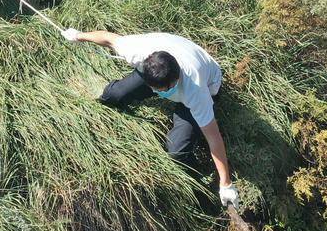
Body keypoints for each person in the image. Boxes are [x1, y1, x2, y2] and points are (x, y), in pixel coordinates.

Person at [62, 28, 239, 207]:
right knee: (113, 96)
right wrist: (78, 36)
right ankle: (145, 86)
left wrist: (226, 184)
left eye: (161, 91)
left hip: (209, 84)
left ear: (175, 80)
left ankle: (199, 188)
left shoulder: (196, 89)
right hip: (160, 67)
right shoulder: (139, 52)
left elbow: (213, 136)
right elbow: (108, 38)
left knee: (177, 150)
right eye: (153, 89)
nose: (155, 94)